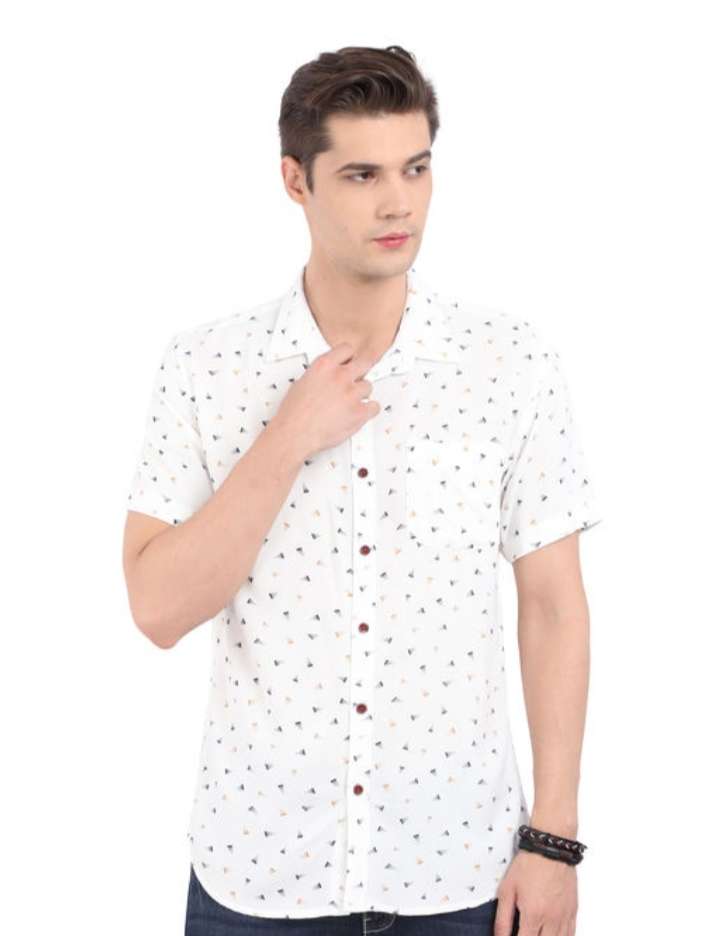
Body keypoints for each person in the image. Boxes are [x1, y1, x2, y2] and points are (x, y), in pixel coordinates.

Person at [123, 44, 603, 936]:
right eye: (361, 175)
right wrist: (287, 438)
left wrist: (555, 841)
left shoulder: (510, 364)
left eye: (416, 168)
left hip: (463, 874)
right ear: (295, 181)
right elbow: (156, 609)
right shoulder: (205, 368)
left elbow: (553, 608)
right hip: (258, 876)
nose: (399, 203)